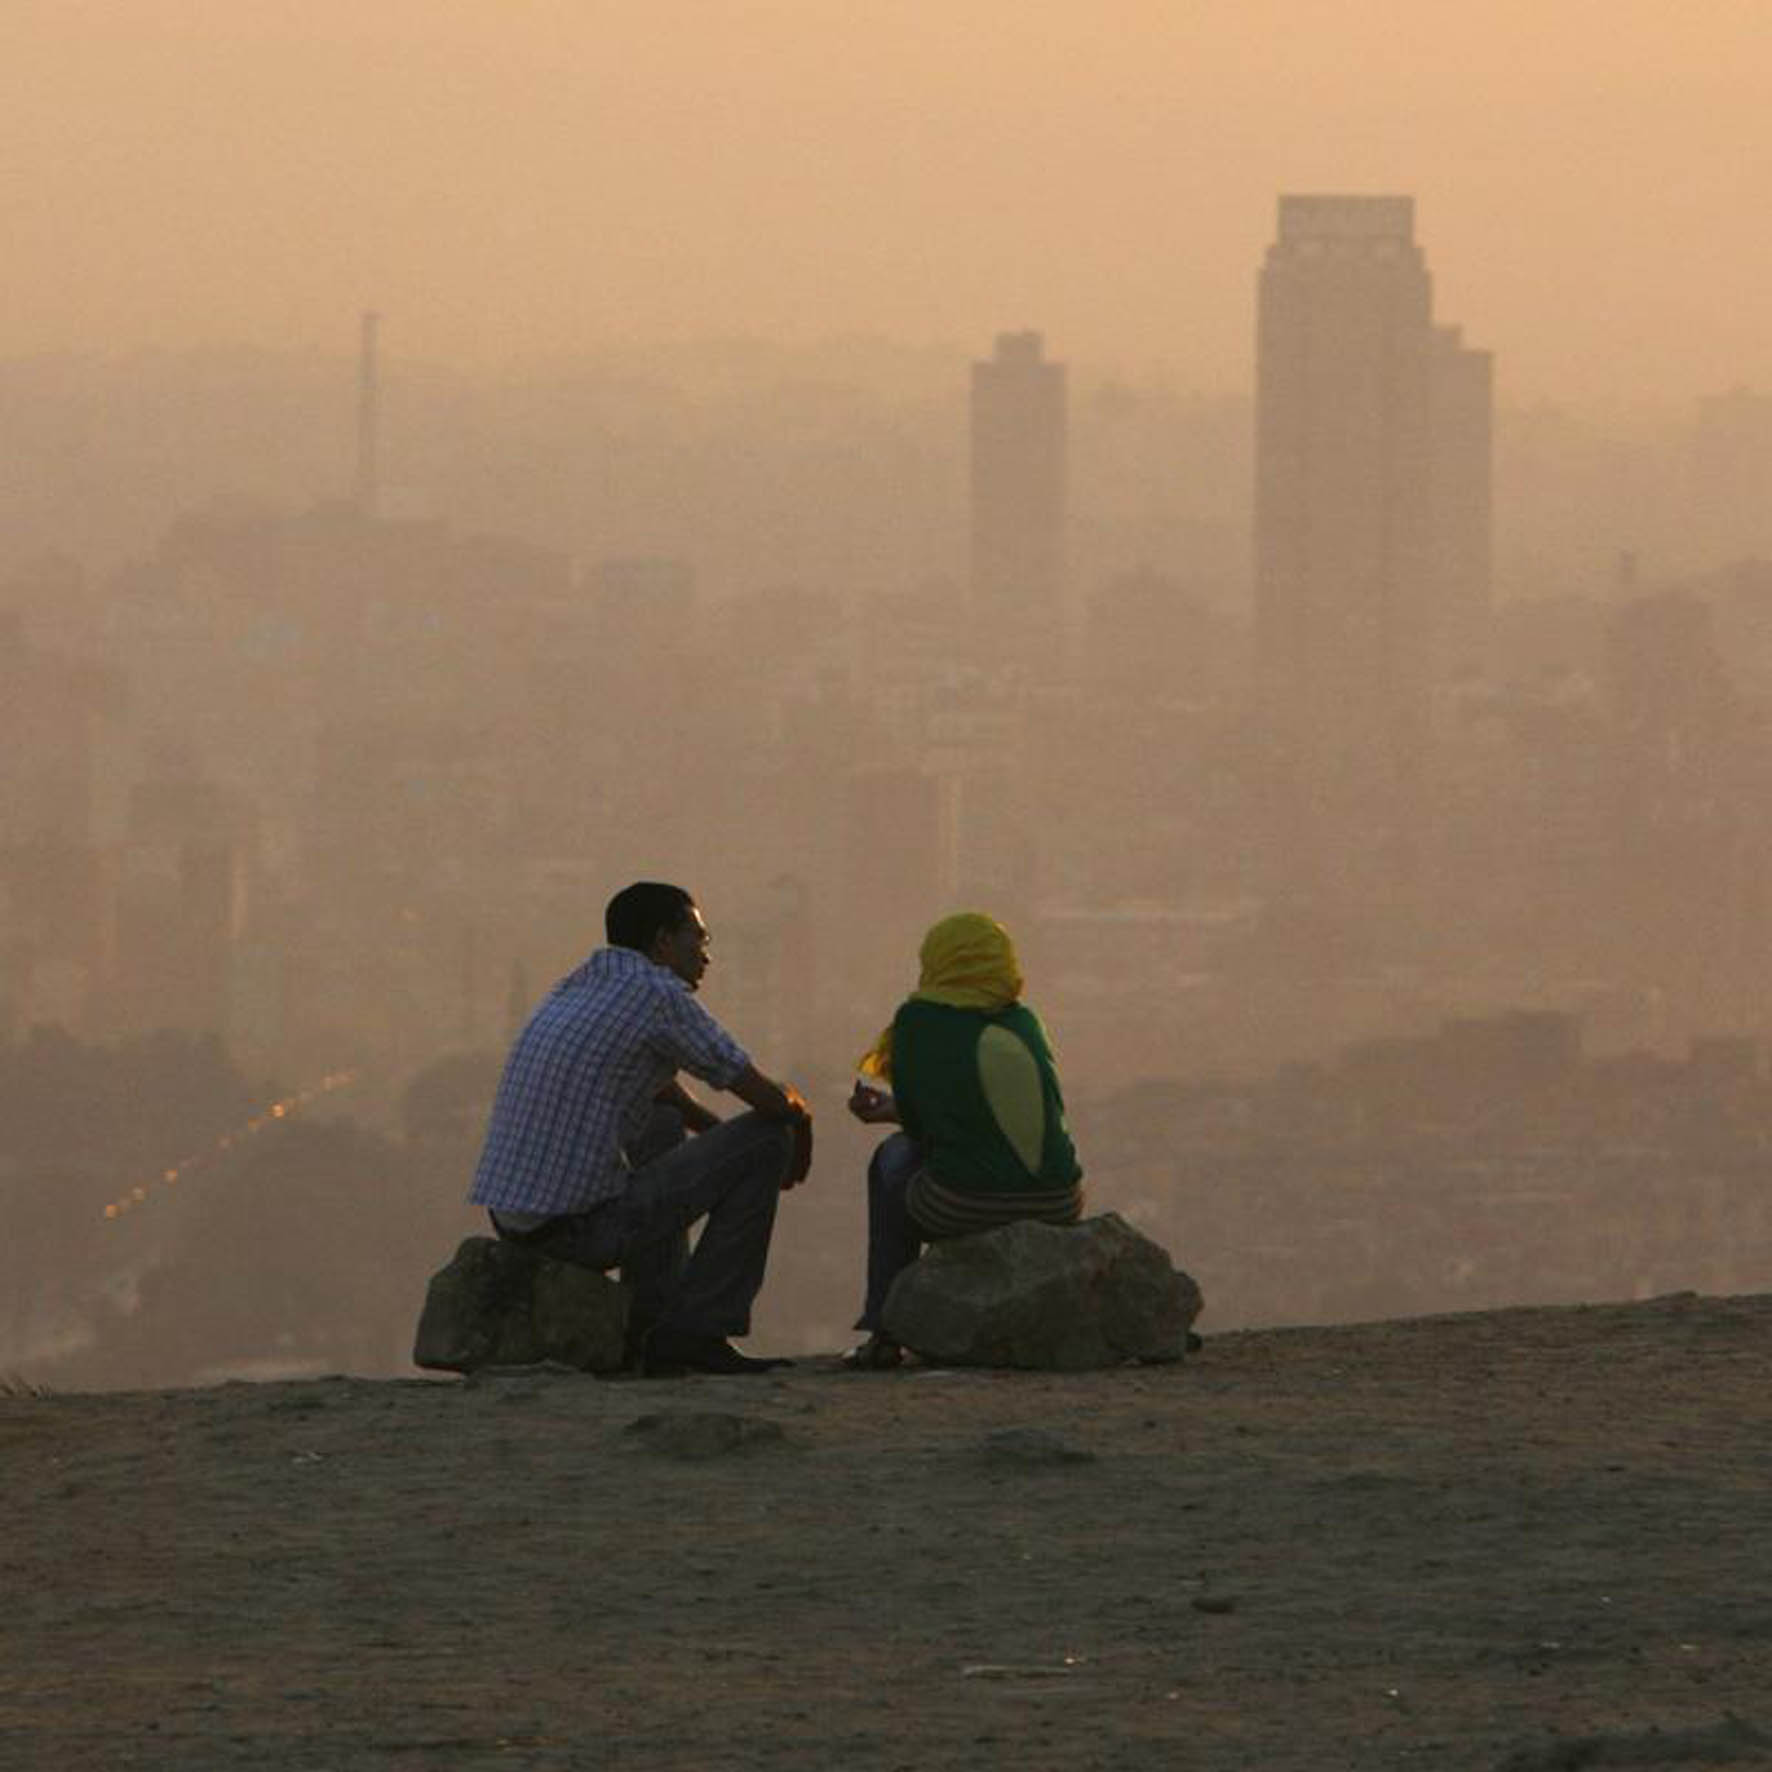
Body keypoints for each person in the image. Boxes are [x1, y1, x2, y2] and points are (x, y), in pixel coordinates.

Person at [469, 881, 812, 1376]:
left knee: (664, 1123)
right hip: (578, 1232)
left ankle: (647, 1322)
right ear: (663, 942)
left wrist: (712, 1138)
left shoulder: (580, 984)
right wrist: (803, 1126)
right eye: (700, 939)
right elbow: (768, 1101)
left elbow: (658, 1090)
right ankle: (698, 1330)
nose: (707, 955)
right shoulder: (660, 997)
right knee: (766, 1139)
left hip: (516, 1218)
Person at [845, 910, 1083, 1369]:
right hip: (1059, 1202)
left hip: (967, 1204)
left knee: (892, 1157)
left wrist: (887, 1113)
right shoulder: (1024, 1021)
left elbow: (923, 1125)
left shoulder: (921, 1020)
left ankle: (884, 1331)